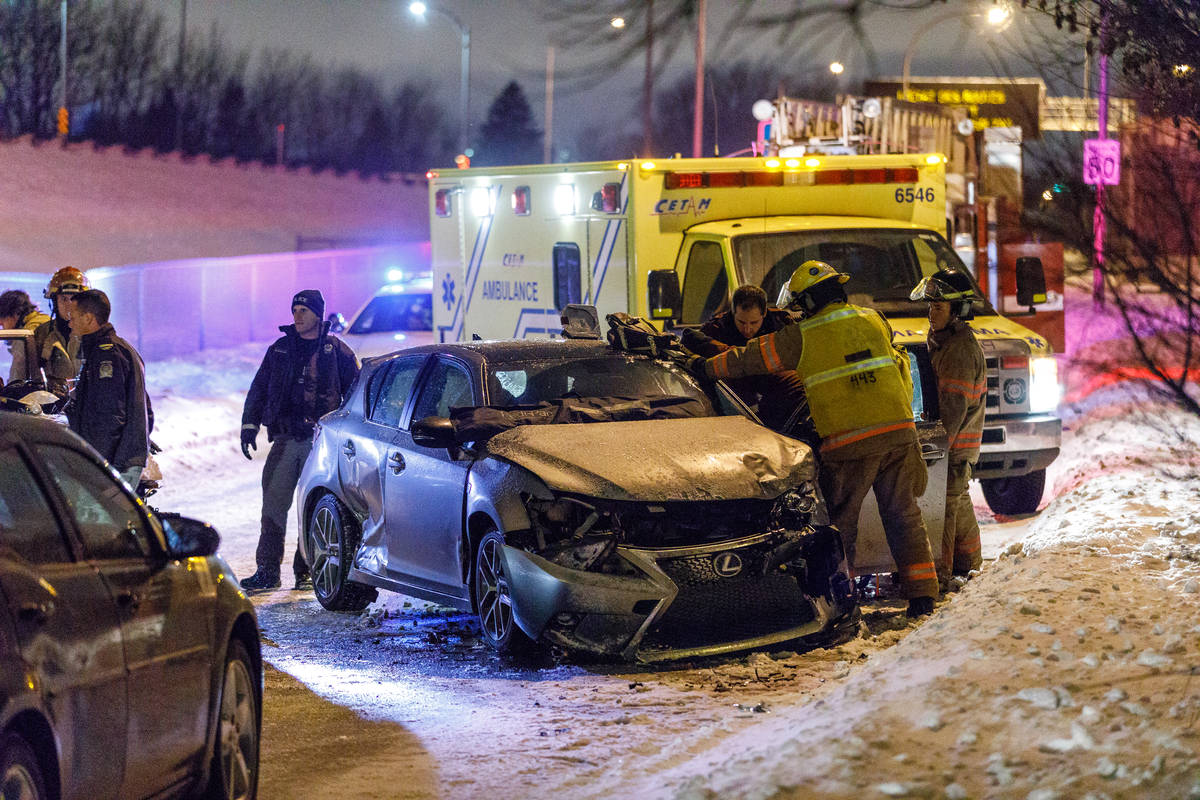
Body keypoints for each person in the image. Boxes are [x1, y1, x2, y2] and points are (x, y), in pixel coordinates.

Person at [682, 260, 939, 617]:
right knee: (904, 515)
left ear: (812, 301)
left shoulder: (804, 334)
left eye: (802, 303)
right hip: (900, 433)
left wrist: (700, 366)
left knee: (840, 525)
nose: (800, 310)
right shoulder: (873, 319)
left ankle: (842, 602)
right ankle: (923, 595)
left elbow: (747, 360)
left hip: (851, 443)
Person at [240, 289, 359, 592]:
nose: (297, 315)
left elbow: (356, 395)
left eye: (303, 310)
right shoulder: (280, 350)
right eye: (294, 309)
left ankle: (306, 569)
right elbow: (259, 389)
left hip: (320, 443)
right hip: (285, 439)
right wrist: (249, 426)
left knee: (313, 506)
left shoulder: (337, 352)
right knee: (273, 507)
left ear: (318, 315)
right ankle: (267, 570)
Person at [910, 269, 987, 588]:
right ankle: (970, 564)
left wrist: (934, 452)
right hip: (955, 445)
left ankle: (941, 573)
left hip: (954, 446)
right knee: (957, 499)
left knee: (944, 508)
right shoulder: (944, 342)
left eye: (938, 308)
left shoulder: (958, 352)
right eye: (929, 306)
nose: (930, 314)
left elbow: (953, 410)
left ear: (958, 311)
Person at [681, 285, 812, 435]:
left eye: (754, 323)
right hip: (733, 407)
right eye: (741, 322)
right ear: (733, 313)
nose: (748, 329)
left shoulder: (781, 324)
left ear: (764, 313)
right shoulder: (717, 328)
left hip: (776, 400)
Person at [66, 289, 150, 490]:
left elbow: (109, 415)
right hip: (122, 459)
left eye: (73, 316)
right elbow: (146, 408)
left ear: (88, 318)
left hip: (113, 463)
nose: (70, 322)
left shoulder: (107, 355)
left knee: (96, 520)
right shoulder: (119, 348)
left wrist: (96, 462)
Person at [35, 266, 88, 397]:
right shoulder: (42, 334)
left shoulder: (92, 332)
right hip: (53, 411)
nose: (69, 304)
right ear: (54, 302)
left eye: (74, 298)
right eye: (64, 299)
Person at [0, 290, 50, 383]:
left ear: (15, 314)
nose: (2, 326)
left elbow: (18, 376)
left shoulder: (24, 336)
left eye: (3, 321)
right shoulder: (44, 321)